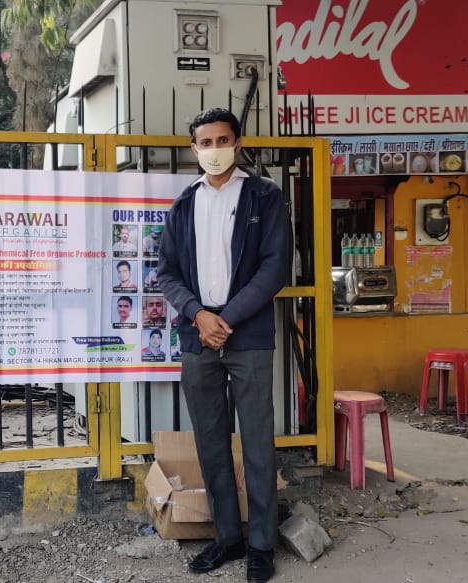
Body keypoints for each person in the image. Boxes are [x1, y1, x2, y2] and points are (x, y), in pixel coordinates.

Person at [157, 108, 292, 583]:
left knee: (257, 443)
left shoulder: (264, 197)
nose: (214, 150)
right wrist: (198, 314)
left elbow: (274, 269)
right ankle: (227, 538)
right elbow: (167, 273)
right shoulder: (183, 205)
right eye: (205, 142)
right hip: (198, 338)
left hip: (248, 337)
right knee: (211, 444)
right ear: (194, 149)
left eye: (223, 140)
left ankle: (261, 544)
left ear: (237, 143)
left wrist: (226, 319)